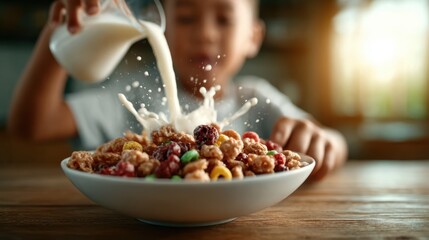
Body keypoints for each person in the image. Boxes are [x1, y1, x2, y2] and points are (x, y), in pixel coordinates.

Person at [7, 0, 348, 181]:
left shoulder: (258, 98)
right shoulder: (135, 99)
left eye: (224, 19)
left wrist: (326, 141)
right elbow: (32, 124)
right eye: (186, 17)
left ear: (253, 37)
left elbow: (333, 142)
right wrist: (60, 30)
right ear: (161, 30)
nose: (204, 33)